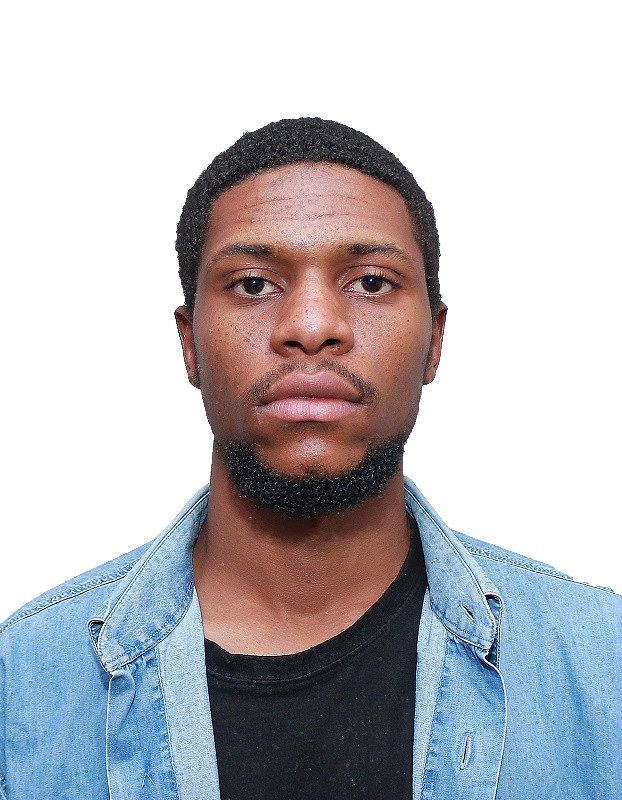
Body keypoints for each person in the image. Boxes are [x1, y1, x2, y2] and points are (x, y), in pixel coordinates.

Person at [0, 118, 620, 800]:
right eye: (253, 285)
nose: (312, 326)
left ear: (436, 341)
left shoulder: (603, 663)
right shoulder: (20, 684)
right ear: (189, 343)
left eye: (372, 282)